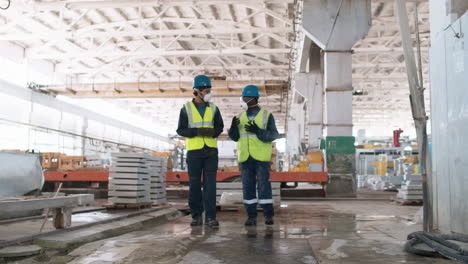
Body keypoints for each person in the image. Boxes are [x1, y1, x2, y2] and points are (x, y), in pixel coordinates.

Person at [176, 75, 224, 227]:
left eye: (210, 90)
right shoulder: (186, 109)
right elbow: (181, 129)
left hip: (210, 151)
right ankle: (196, 216)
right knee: (195, 184)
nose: (209, 93)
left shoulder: (214, 108)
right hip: (194, 151)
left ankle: (211, 217)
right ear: (197, 91)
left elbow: (219, 127)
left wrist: (212, 132)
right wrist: (196, 131)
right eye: (207, 90)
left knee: (210, 185)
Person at [228, 85, 279, 226]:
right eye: (242, 98)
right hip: (245, 158)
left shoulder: (266, 116)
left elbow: (274, 135)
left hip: (261, 158)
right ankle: (251, 216)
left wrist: (258, 131)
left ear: (254, 99)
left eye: (245, 98)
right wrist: (232, 128)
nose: (243, 100)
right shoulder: (240, 117)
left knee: (263, 186)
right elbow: (235, 137)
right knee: (247, 187)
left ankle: (268, 215)